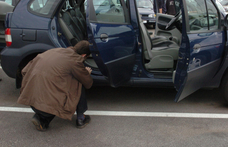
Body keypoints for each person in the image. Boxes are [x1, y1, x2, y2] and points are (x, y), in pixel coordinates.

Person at [17, 40, 93, 131]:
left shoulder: (54, 51)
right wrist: (86, 73)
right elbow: (88, 83)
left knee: (53, 92)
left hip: (30, 98)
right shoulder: (75, 61)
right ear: (84, 55)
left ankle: (41, 119)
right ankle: (81, 119)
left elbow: (24, 71)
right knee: (79, 83)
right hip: (48, 102)